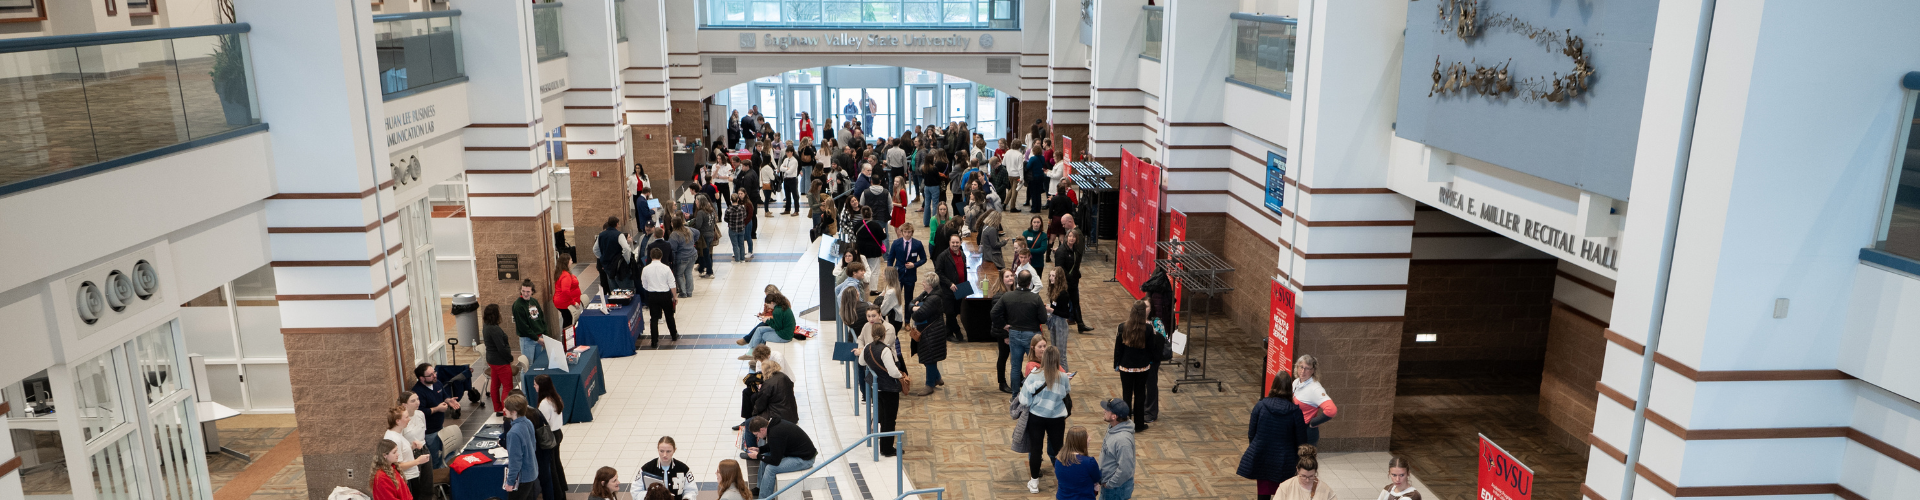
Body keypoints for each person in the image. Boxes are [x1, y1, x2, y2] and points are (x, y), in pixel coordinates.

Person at [1238, 372, 1312, 500]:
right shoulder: (1295, 412)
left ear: (1273, 385)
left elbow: (1251, 433)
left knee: (1263, 495)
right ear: (1290, 388)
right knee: (1284, 494)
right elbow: (1301, 441)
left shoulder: (1261, 406)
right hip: (1286, 461)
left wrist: (1257, 448)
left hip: (1263, 456)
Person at [1018, 345, 1071, 494]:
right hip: (1057, 418)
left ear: (1044, 359)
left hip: (1037, 418)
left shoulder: (1033, 376)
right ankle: (1063, 481)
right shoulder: (1063, 377)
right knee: (1059, 449)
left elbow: (1023, 400)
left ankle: (1034, 482)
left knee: (1036, 449)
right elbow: (1066, 392)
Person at [1112, 302, 1163, 433]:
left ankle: (1124, 423)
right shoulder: (1148, 329)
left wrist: (1116, 364)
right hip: (1142, 367)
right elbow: (1152, 348)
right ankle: (1139, 424)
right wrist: (1151, 361)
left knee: (1126, 394)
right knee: (1140, 395)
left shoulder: (1122, 327)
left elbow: (1118, 348)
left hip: (1125, 367)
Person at [994, 271, 1048, 391]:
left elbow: (994, 313)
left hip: (1014, 334)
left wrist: (1004, 325)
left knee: (1015, 367)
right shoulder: (1035, 298)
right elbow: (1043, 319)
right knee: (1037, 364)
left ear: (1017, 281)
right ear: (1030, 283)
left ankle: (1014, 397)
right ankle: (1036, 392)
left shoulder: (1008, 296)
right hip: (1032, 336)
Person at [863, 312, 908, 456]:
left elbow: (861, 362)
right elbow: (893, 372)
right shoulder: (885, 350)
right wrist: (901, 375)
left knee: (881, 417)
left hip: (876, 387)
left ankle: (882, 446)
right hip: (889, 389)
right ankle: (887, 448)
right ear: (884, 335)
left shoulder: (867, 347)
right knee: (889, 419)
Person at [745, 416, 818, 498]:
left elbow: (775, 461)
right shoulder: (773, 426)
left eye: (756, 434)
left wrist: (757, 456)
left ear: (762, 429)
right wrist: (759, 450)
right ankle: (760, 488)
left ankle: (764, 498)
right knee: (765, 457)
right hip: (795, 453)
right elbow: (774, 445)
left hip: (805, 459)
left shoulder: (775, 433)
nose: (757, 437)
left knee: (771, 468)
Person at [382, 406, 431, 499]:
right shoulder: (393, 438)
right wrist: (418, 461)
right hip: (407, 479)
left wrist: (412, 447)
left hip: (410, 476)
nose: (409, 419)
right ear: (398, 421)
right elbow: (397, 465)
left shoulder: (398, 433)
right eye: (406, 417)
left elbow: (401, 454)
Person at [534, 375, 570, 500]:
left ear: (541, 386)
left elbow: (543, 422)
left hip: (550, 436)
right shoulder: (555, 398)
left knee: (551, 467)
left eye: (536, 385)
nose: (534, 387)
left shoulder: (544, 403)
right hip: (558, 433)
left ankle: (557, 495)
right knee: (556, 463)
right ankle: (561, 490)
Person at [1293, 354, 1338, 445]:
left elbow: (1331, 410)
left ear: (1313, 371)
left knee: (1305, 459)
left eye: (1307, 368)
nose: (1303, 371)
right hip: (1295, 430)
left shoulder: (1315, 388)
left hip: (1307, 434)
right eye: (1301, 367)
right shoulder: (1296, 382)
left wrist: (1313, 422)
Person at [502, 395, 540, 500]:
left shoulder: (513, 433)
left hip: (522, 479)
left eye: (506, 408)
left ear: (514, 411)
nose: (503, 409)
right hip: (532, 472)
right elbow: (533, 445)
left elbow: (515, 461)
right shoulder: (528, 422)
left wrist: (510, 482)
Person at [736, 292, 796, 359]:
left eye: (768, 305)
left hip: (784, 336)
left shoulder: (777, 311)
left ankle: (755, 355)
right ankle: (752, 352)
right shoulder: (782, 306)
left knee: (763, 335)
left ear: (772, 303)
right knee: (759, 329)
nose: (768, 307)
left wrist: (767, 321)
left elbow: (777, 327)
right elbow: (779, 322)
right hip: (786, 331)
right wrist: (768, 319)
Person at [1098, 399, 1137, 500]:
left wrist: (1110, 484)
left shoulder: (1122, 441)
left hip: (1116, 490)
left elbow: (1125, 469)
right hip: (1110, 486)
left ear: (1114, 416)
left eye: (1107, 410)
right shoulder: (1113, 427)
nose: (1104, 411)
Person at [1056, 228, 1093, 334]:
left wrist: (1077, 275)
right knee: (1062, 304)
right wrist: (1069, 276)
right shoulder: (1061, 250)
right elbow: (1059, 268)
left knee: (1076, 303)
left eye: (1074, 236)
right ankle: (1058, 325)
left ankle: (1080, 325)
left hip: (1073, 282)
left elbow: (1076, 264)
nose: (1072, 238)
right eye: (1070, 236)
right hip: (1064, 283)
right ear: (1066, 237)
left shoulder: (1076, 249)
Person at [641, 248, 680, 346]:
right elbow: (672, 283)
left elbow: (644, 284)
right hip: (665, 295)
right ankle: (674, 335)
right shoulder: (666, 268)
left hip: (652, 295)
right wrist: (674, 296)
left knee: (654, 318)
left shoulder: (645, 269)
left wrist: (650, 288)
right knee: (669, 316)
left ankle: (654, 341)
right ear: (661, 256)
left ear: (651, 256)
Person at [410, 363, 463, 434]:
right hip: (428, 431)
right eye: (430, 375)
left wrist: (448, 400)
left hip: (439, 426)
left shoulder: (437, 383)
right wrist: (437, 409)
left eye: (434, 372)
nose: (434, 376)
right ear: (422, 378)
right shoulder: (417, 392)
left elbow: (444, 395)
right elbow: (420, 412)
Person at [1053, 426, 1101, 500]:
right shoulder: (1089, 462)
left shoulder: (1059, 459)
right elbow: (1097, 478)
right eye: (1087, 437)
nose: (1090, 439)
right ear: (1081, 442)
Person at [482, 305, 514, 417]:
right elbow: (501, 348)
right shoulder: (494, 329)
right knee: (507, 386)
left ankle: (498, 409)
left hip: (491, 360)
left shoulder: (486, 326)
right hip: (500, 361)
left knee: (495, 385)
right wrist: (509, 358)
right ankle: (506, 411)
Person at [884, 224, 927, 301]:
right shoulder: (896, 243)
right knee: (895, 298)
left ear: (912, 232)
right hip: (897, 275)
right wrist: (890, 272)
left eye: (909, 232)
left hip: (910, 275)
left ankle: (908, 313)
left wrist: (914, 264)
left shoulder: (917, 244)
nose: (907, 234)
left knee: (909, 299)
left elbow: (924, 259)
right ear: (902, 232)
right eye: (905, 232)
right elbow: (890, 259)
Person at [512, 280, 550, 366]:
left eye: (528, 291)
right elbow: (523, 327)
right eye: (523, 291)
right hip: (527, 340)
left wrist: (545, 335)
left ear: (532, 291)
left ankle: (536, 380)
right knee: (527, 367)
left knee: (538, 365)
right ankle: (526, 380)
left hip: (539, 338)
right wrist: (537, 339)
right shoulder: (518, 305)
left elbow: (541, 319)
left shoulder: (534, 301)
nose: (525, 294)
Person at [691, 197, 719, 278]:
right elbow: (714, 222)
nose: (696, 203)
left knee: (705, 253)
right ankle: (702, 269)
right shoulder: (711, 211)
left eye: (697, 201)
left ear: (700, 202)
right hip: (711, 234)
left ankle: (710, 272)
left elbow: (698, 225)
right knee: (705, 252)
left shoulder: (701, 212)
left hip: (703, 236)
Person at [554, 254, 581, 329]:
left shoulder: (561, 272)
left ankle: (567, 337)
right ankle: (567, 338)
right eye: (571, 260)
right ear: (566, 262)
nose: (572, 262)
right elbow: (565, 291)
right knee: (568, 321)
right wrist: (573, 302)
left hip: (562, 301)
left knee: (567, 320)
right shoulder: (565, 275)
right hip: (565, 303)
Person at [726, 191, 752, 262]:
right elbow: (744, 216)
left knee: (735, 245)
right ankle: (742, 258)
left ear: (731, 200)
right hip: (741, 228)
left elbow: (725, 218)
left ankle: (737, 259)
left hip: (732, 229)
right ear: (738, 199)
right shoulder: (742, 208)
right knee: (741, 244)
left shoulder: (729, 209)